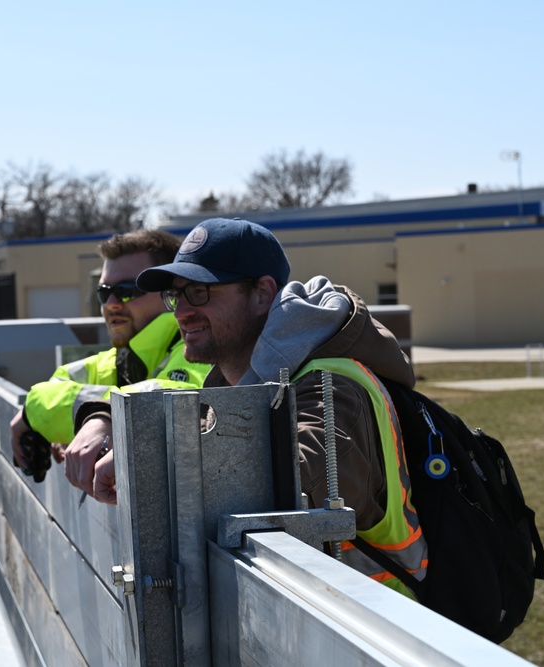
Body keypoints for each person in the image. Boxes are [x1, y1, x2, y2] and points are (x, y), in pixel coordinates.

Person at [92, 217, 427, 598]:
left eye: (199, 292)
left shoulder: (330, 384)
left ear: (263, 293)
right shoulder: (235, 384)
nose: (181, 311)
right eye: (176, 295)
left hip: (379, 631)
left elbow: (281, 493)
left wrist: (144, 457)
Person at [10, 229, 210, 495]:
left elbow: (183, 399)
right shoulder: (124, 357)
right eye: (104, 293)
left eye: (127, 290)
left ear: (170, 293)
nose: (112, 304)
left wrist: (38, 412)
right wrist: (62, 419)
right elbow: (58, 382)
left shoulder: (198, 344)